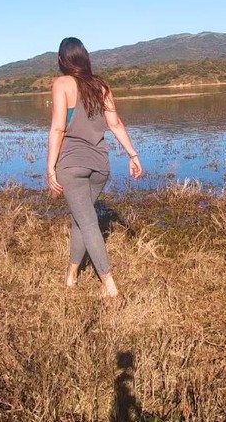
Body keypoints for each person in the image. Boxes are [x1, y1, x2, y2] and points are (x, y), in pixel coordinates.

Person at [47, 37, 144, 298]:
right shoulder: (101, 85)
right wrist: (133, 155)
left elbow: (57, 127)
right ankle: (71, 274)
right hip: (101, 166)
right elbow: (116, 123)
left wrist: (50, 168)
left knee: (87, 222)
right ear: (85, 57)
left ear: (61, 60)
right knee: (82, 218)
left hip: (72, 165)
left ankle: (109, 285)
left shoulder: (62, 84)